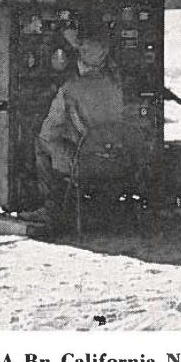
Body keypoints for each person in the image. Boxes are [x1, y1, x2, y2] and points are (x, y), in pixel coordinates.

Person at [20, 36, 124, 227]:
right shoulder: (115, 87)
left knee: (41, 144)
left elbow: (49, 131)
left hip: (84, 161)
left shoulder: (69, 89)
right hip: (115, 160)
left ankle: (51, 208)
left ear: (81, 61)